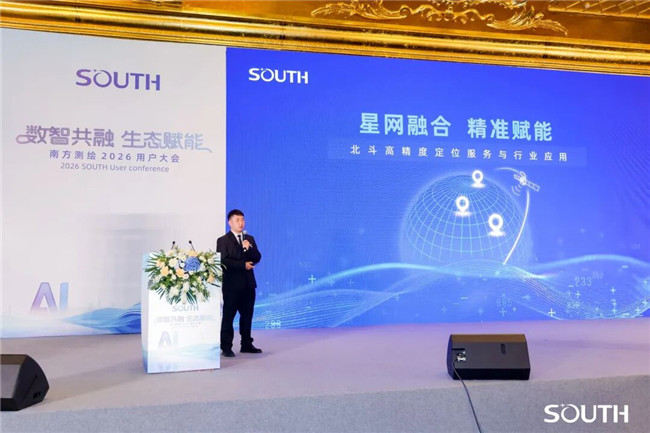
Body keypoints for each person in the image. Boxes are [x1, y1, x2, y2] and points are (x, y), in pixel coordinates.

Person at [216, 209, 262, 357]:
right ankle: (226, 347)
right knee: (228, 316)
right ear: (230, 222)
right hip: (232, 285)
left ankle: (246, 344)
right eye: (237, 220)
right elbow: (223, 261)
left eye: (242, 220)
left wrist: (249, 248)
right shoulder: (223, 240)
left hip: (248, 284)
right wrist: (243, 265)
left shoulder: (249, 238)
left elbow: (257, 257)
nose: (241, 223)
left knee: (247, 316)